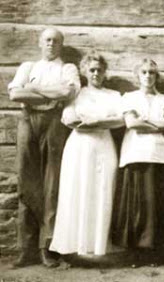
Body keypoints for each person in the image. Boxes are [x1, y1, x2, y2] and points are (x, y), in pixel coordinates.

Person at [8, 28, 80, 267]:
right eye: (47, 40)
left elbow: (66, 92)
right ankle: (25, 248)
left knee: (52, 185)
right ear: (40, 43)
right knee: (26, 182)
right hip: (28, 121)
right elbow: (15, 94)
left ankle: (46, 247)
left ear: (61, 45)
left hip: (54, 124)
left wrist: (33, 90)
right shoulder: (28, 66)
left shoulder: (67, 69)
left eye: (56, 41)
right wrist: (47, 95)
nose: (51, 44)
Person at [49, 51, 124, 256]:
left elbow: (120, 120)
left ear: (105, 72)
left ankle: (97, 246)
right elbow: (69, 120)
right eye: (91, 70)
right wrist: (96, 123)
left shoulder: (114, 95)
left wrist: (96, 122)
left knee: (102, 190)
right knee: (79, 191)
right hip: (79, 147)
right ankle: (76, 246)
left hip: (104, 147)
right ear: (84, 71)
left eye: (100, 70)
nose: (96, 73)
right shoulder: (77, 94)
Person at [112, 58, 164, 266]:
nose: (148, 76)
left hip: (158, 155)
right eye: (144, 72)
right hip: (134, 153)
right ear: (137, 76)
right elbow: (132, 124)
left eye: (152, 73)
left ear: (157, 76)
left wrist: (145, 122)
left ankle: (154, 253)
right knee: (136, 205)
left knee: (156, 204)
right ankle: (135, 253)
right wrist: (157, 124)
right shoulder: (129, 97)